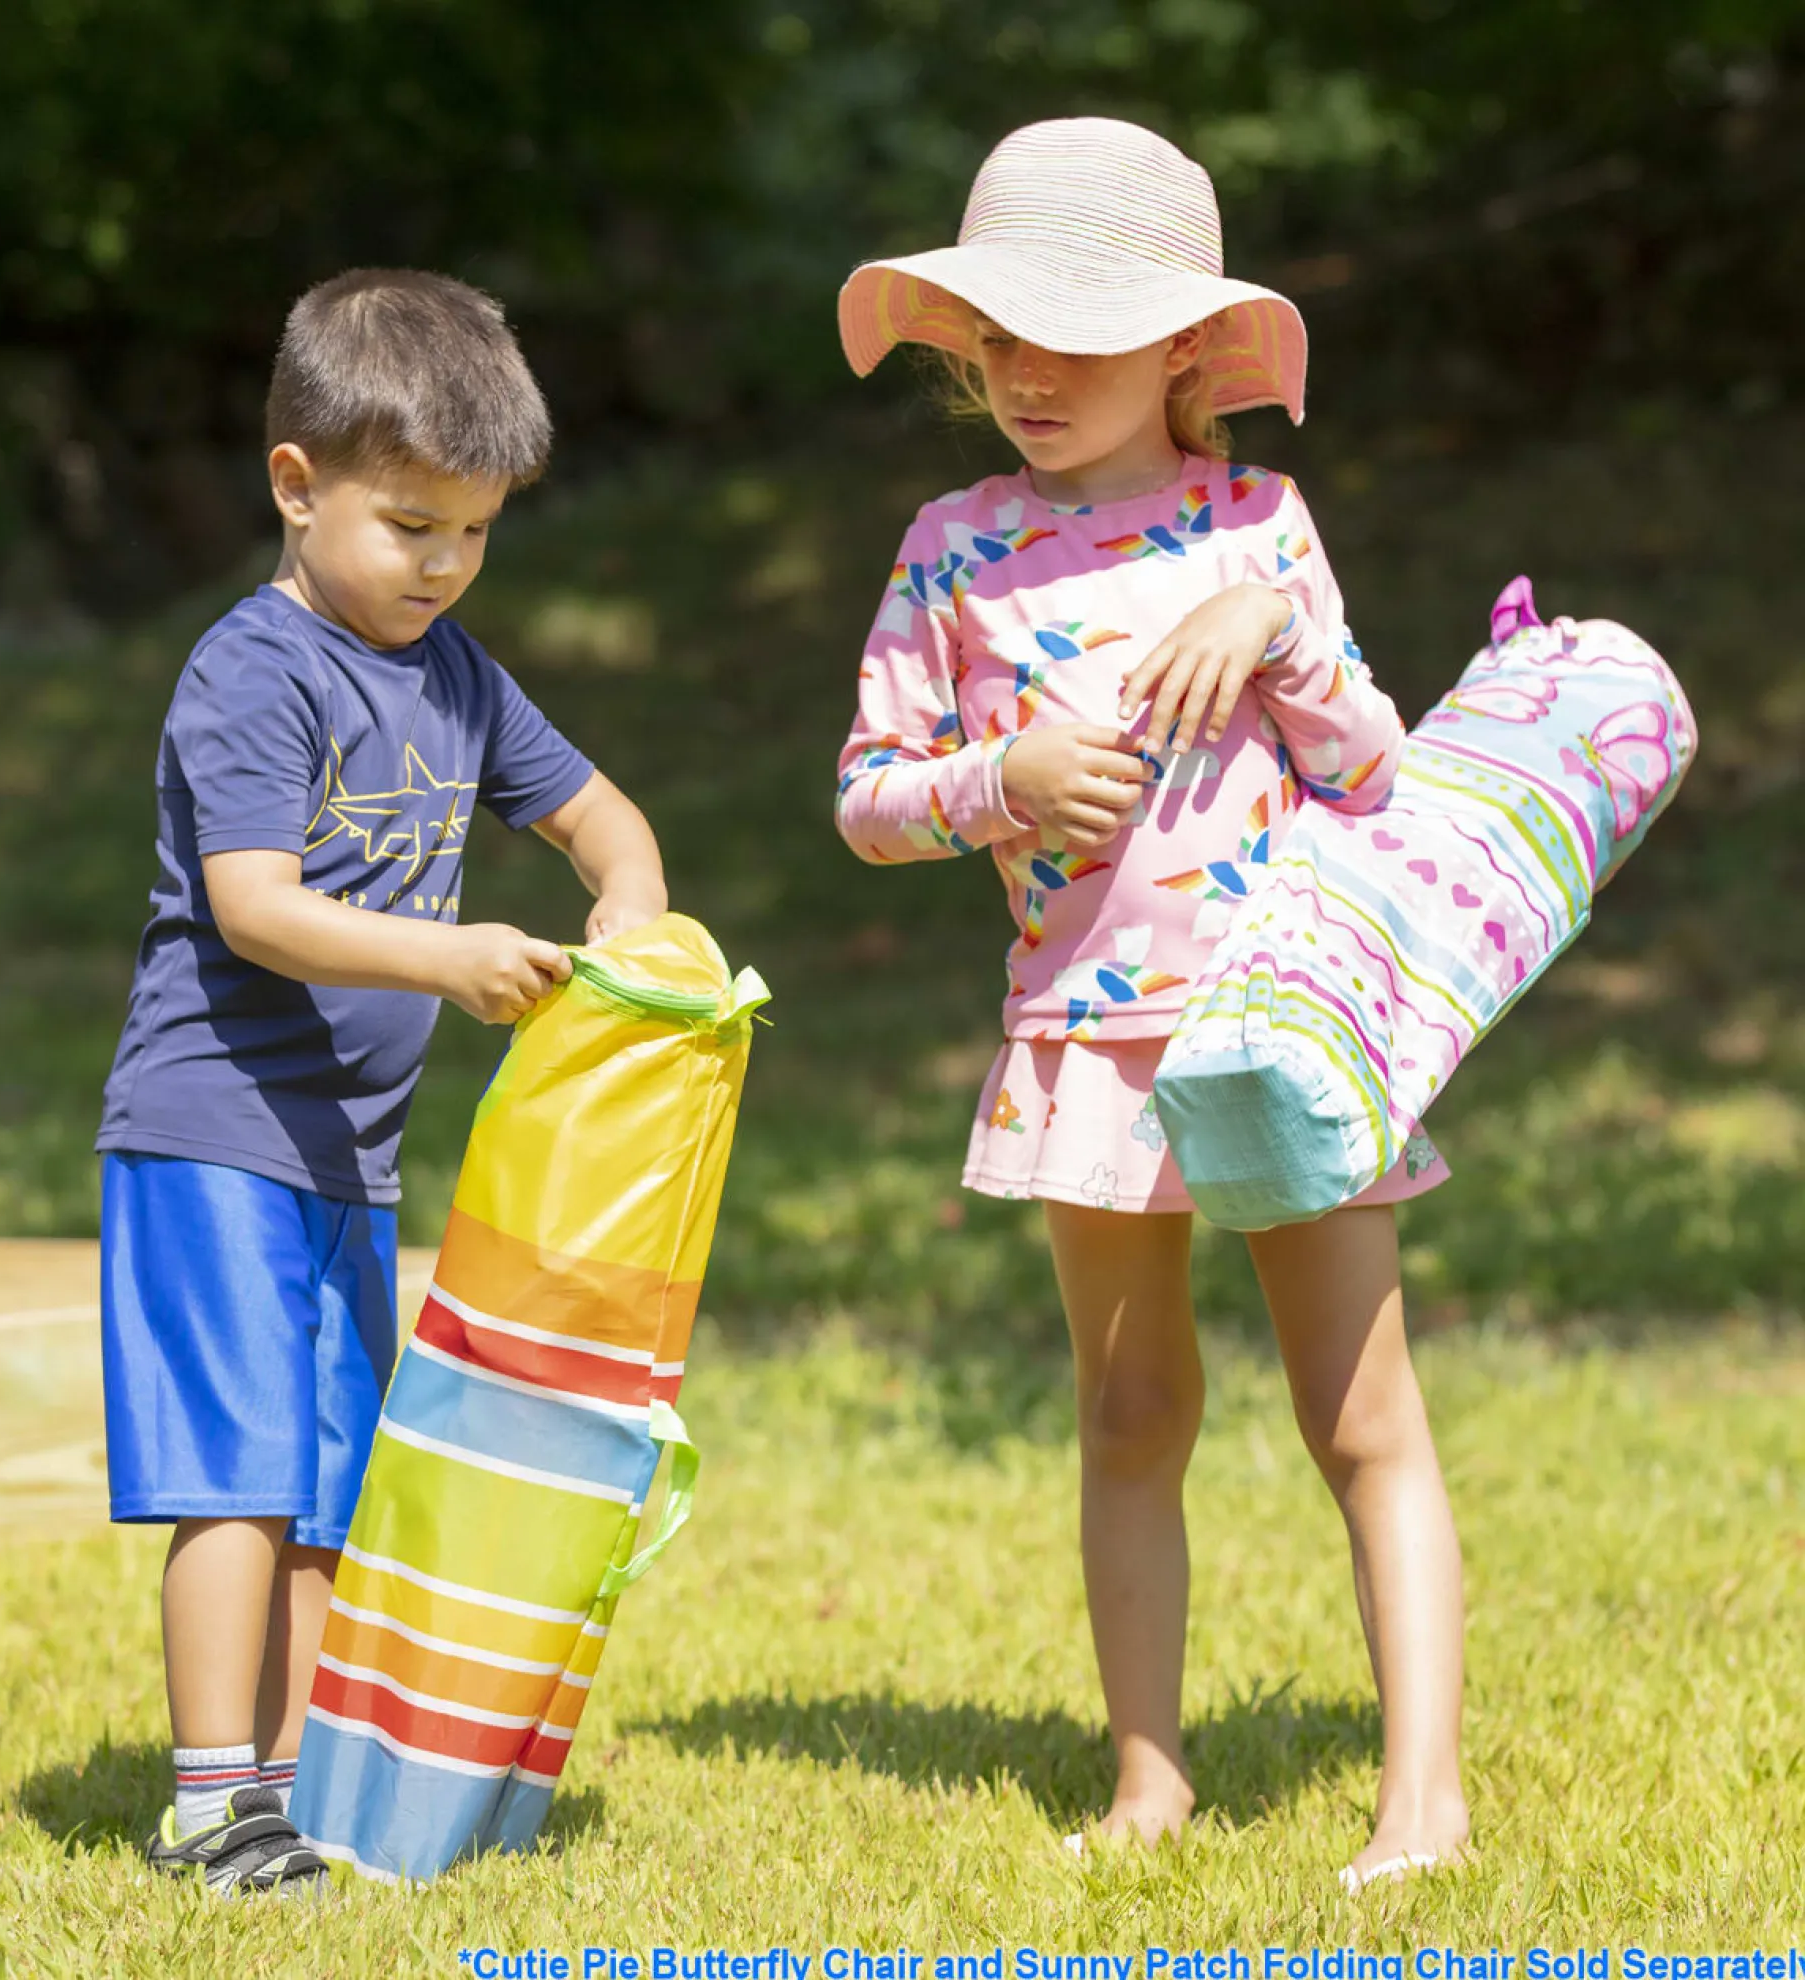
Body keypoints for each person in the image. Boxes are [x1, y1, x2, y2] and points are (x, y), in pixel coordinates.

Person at [834, 120, 1466, 1890]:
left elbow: (1374, 773)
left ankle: (1424, 1801)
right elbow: (868, 798)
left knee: (1360, 1417)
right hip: (1088, 1052)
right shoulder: (952, 549)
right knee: (1129, 1415)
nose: (1027, 376)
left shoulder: (1261, 528)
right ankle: (1148, 1780)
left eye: (1077, 338)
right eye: (998, 340)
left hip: (1282, 1033)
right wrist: (1000, 781)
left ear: (1188, 344)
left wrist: (1278, 627)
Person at [95, 268, 667, 1894]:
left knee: (334, 1486)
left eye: (475, 531)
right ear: (297, 484)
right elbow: (254, 908)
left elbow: (600, 817)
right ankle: (211, 1801)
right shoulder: (253, 670)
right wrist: (449, 958)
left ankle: (292, 1789)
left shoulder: (458, 674)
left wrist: (630, 906)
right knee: (239, 1474)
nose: (445, 564)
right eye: (412, 525)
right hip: (210, 1130)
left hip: (349, 1156)